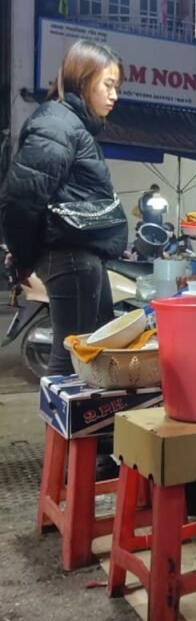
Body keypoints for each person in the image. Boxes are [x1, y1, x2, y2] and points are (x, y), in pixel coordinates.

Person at [0, 39, 128, 375]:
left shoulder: (71, 125)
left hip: (83, 255)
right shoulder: (58, 124)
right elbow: (20, 200)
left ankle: (85, 427)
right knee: (72, 359)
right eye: (108, 85)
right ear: (83, 81)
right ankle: (62, 429)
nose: (115, 95)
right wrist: (23, 256)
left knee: (91, 351)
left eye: (117, 87)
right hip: (71, 256)